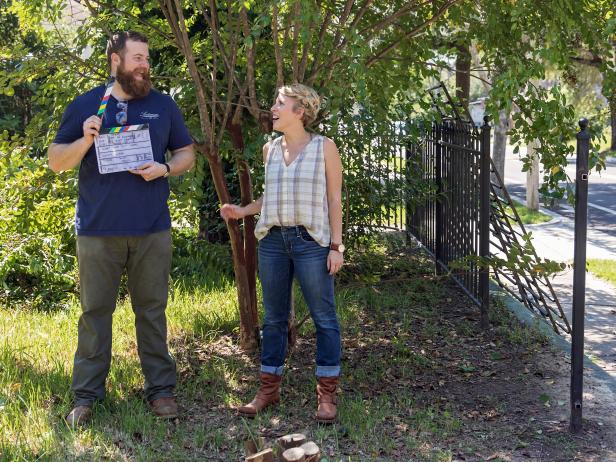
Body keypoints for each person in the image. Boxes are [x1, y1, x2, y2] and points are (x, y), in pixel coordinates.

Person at [48, 31, 195, 427]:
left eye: (147, 58)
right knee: (95, 313)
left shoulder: (163, 106)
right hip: (97, 231)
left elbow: (186, 154)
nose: (145, 64)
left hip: (151, 229)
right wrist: (84, 140)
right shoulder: (85, 104)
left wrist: (165, 168)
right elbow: (56, 161)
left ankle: (161, 390)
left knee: (152, 311)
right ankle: (86, 396)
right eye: (137, 58)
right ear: (116, 61)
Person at [220, 83, 344, 423]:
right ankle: (268, 390)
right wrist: (243, 211)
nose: (272, 108)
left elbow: (334, 200)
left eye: (279, 103)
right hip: (273, 242)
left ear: (299, 111)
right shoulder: (270, 150)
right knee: (273, 319)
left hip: (310, 244)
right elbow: (271, 198)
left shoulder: (325, 148)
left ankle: (327, 396)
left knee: (324, 318)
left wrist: (336, 246)